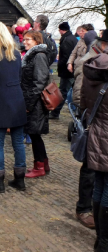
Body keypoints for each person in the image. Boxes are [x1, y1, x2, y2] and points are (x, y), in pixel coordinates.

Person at [0, 22, 27, 193]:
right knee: (18, 142)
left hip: (1, 101)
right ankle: (20, 179)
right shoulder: (16, 53)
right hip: (17, 99)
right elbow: (19, 77)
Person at [81, 53, 108, 251]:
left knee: (99, 184)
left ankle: (100, 238)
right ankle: (104, 241)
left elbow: (81, 104)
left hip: (95, 136)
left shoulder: (92, 70)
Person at [19, 31, 50, 178]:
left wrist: (29, 104)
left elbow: (40, 82)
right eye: (24, 39)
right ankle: (43, 163)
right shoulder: (32, 55)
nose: (24, 42)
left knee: (34, 134)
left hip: (36, 102)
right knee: (34, 133)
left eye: (28, 40)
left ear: (36, 40)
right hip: (32, 100)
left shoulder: (39, 56)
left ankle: (39, 166)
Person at [50, 22, 78, 119]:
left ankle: (55, 113)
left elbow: (65, 56)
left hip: (67, 71)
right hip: (73, 70)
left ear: (62, 30)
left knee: (62, 92)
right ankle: (77, 112)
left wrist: (60, 65)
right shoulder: (73, 38)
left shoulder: (66, 40)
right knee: (74, 91)